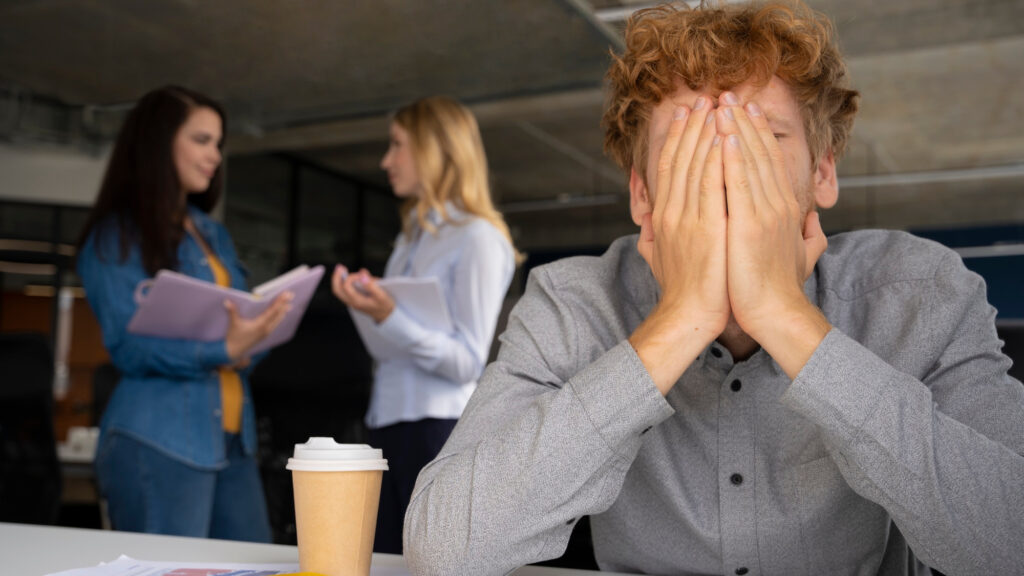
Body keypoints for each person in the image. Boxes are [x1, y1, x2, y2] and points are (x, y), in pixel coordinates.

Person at [404, 2, 1024, 575]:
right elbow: (446, 550)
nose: (726, 173)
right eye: (689, 152)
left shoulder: (921, 293)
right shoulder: (573, 304)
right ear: (642, 194)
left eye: (762, 141)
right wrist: (679, 320)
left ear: (823, 172)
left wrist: (785, 315)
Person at [76, 85, 292, 541]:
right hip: (157, 441)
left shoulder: (212, 233)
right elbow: (128, 347)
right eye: (201, 140)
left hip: (233, 439)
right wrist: (220, 349)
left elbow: (237, 332)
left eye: (218, 143)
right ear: (159, 142)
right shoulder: (115, 237)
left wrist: (252, 340)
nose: (214, 154)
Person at [331, 96, 518, 554]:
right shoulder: (411, 239)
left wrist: (388, 315)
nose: (385, 160)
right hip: (388, 425)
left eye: (396, 145)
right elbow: (386, 352)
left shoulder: (478, 237)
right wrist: (363, 306)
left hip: (438, 432)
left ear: (434, 148)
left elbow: (468, 363)